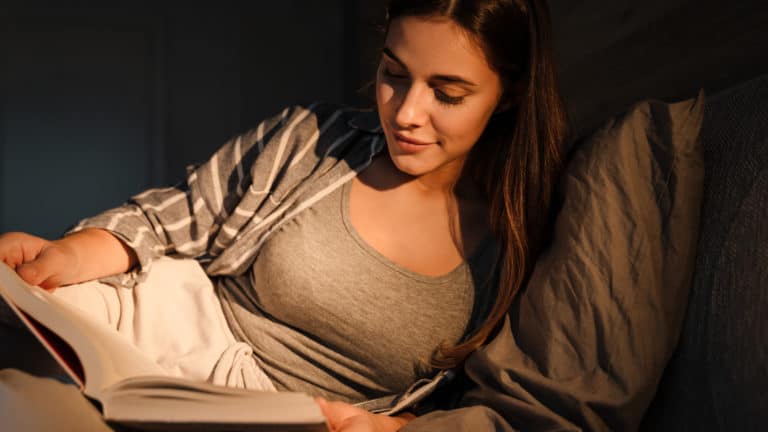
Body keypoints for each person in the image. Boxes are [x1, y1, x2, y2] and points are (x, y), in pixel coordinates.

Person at [0, 0, 568, 430]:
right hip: (165, 330)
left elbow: (495, 406)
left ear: (510, 94)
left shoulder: (521, 246)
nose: (406, 112)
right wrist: (67, 255)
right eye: (394, 74)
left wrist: (394, 427)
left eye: (447, 93)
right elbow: (174, 215)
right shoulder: (314, 140)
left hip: (289, 419)